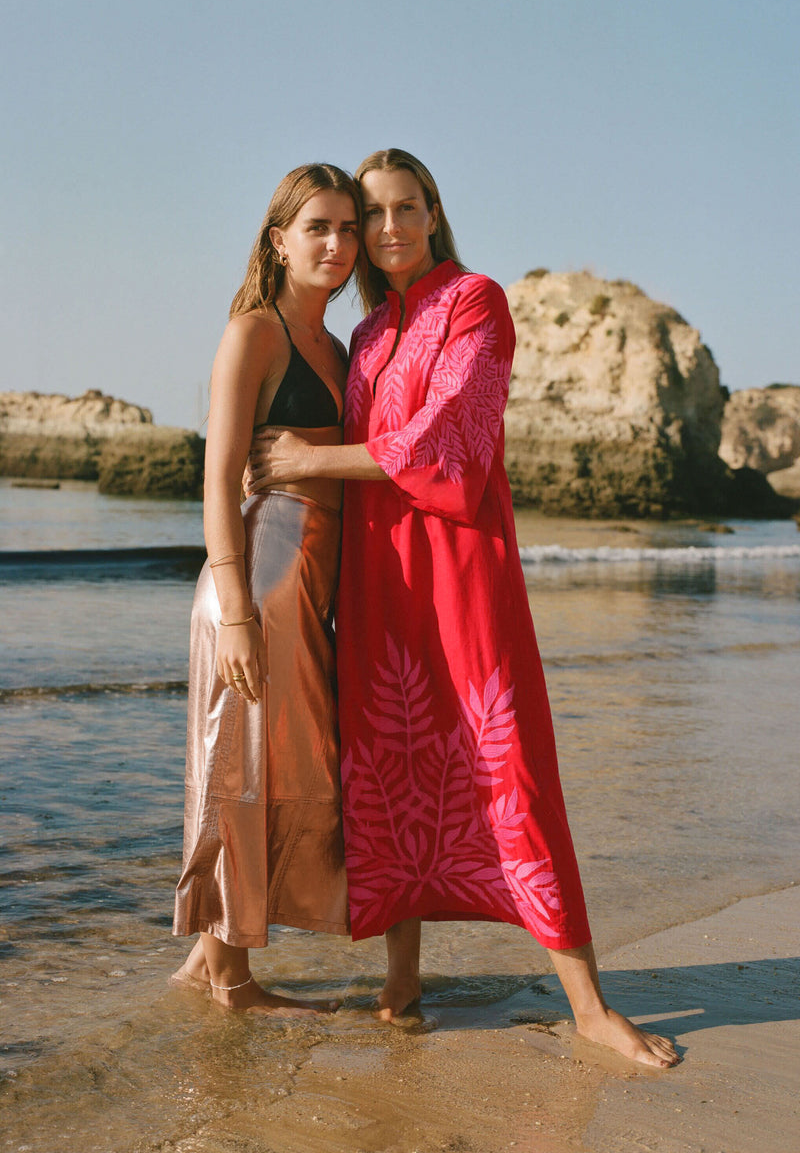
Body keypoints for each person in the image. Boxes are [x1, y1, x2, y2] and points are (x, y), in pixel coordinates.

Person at [246, 149, 678, 1066]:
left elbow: (446, 440)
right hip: (377, 582)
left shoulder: (477, 301)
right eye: (373, 214)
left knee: (507, 768)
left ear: (434, 214)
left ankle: (590, 1006)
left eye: (406, 208)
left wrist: (308, 461)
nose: (388, 228)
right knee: (388, 768)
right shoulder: (368, 334)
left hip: (461, 572)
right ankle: (401, 983)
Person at [171, 163, 360, 1014]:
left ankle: (205, 959)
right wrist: (238, 614)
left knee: (264, 766)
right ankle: (233, 981)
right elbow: (218, 481)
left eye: (347, 228)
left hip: (304, 580)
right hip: (257, 580)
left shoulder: (338, 348)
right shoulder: (255, 333)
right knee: (239, 774)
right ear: (279, 241)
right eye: (317, 227)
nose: (337, 243)